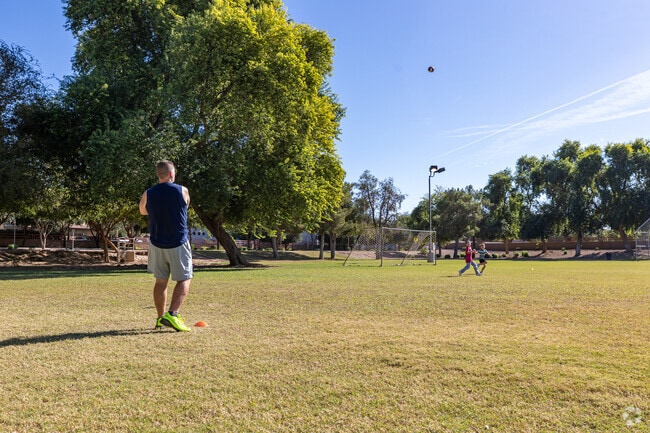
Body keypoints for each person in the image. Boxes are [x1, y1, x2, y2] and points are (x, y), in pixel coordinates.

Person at [139, 160, 193, 332]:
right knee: (184, 278)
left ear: (158, 174)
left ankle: (160, 318)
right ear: (171, 174)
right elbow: (186, 205)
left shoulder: (148, 193)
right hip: (178, 242)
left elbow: (142, 211)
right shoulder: (182, 190)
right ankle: (173, 314)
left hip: (156, 243)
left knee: (161, 282)